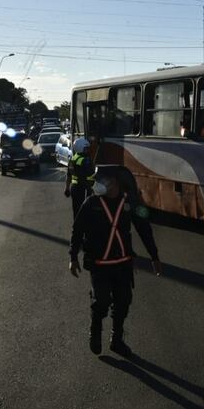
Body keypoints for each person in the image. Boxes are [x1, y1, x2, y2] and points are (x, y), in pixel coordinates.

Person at [69, 170, 162, 356]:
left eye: (106, 179)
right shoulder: (92, 203)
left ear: (116, 182)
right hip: (99, 264)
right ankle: (95, 331)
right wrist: (73, 257)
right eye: (100, 180)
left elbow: (144, 229)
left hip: (123, 264)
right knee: (102, 302)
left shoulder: (129, 203)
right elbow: (77, 229)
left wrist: (154, 256)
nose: (101, 183)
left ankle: (116, 340)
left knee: (123, 302)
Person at [64, 138, 95, 219]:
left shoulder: (73, 158)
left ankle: (77, 229)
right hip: (83, 188)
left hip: (74, 188)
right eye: (86, 149)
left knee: (76, 210)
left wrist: (67, 188)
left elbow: (68, 175)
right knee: (86, 211)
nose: (88, 150)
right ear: (80, 148)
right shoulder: (85, 160)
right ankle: (86, 230)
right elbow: (91, 174)